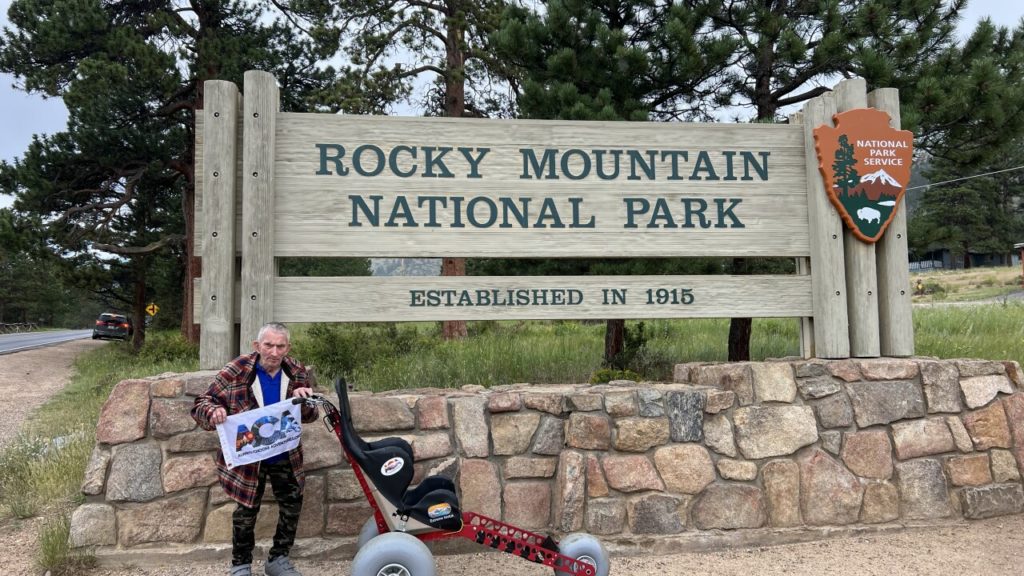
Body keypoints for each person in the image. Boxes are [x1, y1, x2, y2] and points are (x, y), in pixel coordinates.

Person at [192, 322, 317, 576]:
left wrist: (306, 401)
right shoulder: (236, 369)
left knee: (292, 504)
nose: (274, 352)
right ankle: (240, 564)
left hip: (285, 452)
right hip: (249, 456)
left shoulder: (296, 371)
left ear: (288, 347)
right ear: (257, 345)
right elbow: (202, 403)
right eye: (269, 345)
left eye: (280, 346)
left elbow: (309, 415)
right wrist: (214, 411)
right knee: (246, 510)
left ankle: (278, 559)